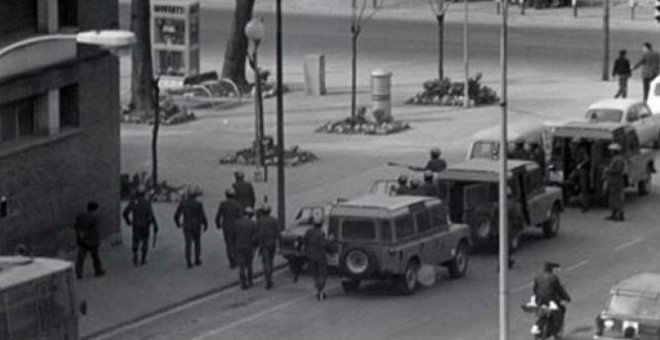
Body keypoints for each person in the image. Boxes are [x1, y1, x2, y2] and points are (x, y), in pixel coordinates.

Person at [123, 185, 158, 266]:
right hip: (145, 224)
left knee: (135, 240)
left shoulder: (133, 201)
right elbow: (151, 215)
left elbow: (125, 213)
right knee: (145, 241)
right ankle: (143, 259)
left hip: (136, 224)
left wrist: (128, 221)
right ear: (144, 192)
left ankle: (135, 255)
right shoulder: (147, 202)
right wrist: (155, 225)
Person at [533, 262, 571, 335]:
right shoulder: (554, 278)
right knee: (562, 309)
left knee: (540, 312)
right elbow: (560, 290)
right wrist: (567, 298)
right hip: (550, 299)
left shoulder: (537, 277)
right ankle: (556, 331)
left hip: (539, 300)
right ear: (551, 269)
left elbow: (535, 290)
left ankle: (539, 327)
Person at [174, 188, 208, 268]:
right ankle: (197, 259)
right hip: (197, 225)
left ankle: (188, 259)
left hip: (187, 225)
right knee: (197, 242)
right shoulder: (199, 204)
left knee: (188, 243)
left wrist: (178, 223)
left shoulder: (183, 203)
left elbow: (176, 215)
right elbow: (202, 215)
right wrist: (205, 224)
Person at [303, 211, 331, 301]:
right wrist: (329, 241)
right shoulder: (321, 233)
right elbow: (323, 245)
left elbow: (304, 241)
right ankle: (321, 291)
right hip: (320, 256)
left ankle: (319, 291)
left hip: (310, 256)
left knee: (315, 275)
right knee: (322, 274)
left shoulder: (308, 232)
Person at [74, 201, 105, 279]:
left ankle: (78, 273)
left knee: (80, 258)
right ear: (95, 209)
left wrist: (80, 234)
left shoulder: (80, 215)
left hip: (82, 241)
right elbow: (93, 230)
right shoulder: (95, 218)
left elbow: (75, 225)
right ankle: (98, 271)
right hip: (92, 241)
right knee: (95, 257)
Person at [215, 188, 243, 268]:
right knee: (236, 243)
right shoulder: (238, 204)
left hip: (226, 226)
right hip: (236, 226)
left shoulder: (223, 204)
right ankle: (236, 258)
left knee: (229, 244)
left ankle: (231, 259)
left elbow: (218, 215)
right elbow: (240, 216)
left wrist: (218, 224)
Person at [256, 204, 280, 290]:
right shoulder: (274, 220)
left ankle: (268, 279)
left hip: (263, 244)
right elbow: (278, 233)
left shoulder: (259, 221)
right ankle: (270, 277)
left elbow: (257, 233)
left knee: (265, 262)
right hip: (272, 243)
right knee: (270, 261)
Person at [234, 207, 257, 289]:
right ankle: (250, 281)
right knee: (249, 264)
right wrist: (255, 246)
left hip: (239, 246)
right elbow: (255, 236)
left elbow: (233, 235)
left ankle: (243, 282)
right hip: (249, 246)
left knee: (241, 265)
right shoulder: (252, 223)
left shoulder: (237, 223)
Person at [605, 143, 626, 221]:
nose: (610, 152)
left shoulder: (618, 159)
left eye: (611, 151)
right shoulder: (616, 158)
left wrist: (608, 170)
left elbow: (618, 170)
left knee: (617, 198)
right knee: (613, 198)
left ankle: (620, 215)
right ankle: (614, 214)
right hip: (613, 181)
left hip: (616, 181)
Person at [572, 145, 591, 212]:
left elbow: (587, 159)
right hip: (580, 170)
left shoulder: (582, 150)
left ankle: (585, 206)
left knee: (583, 189)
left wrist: (581, 164)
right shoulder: (577, 150)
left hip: (583, 171)